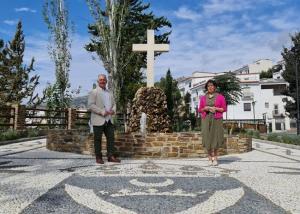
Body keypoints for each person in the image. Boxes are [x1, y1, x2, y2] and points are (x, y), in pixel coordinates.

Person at [88, 74, 120, 164]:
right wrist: (102, 112)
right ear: (98, 81)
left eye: (104, 79)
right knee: (97, 139)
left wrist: (113, 111)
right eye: (101, 80)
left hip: (109, 119)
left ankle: (110, 156)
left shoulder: (110, 92)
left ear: (106, 81)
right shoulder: (93, 92)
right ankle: (98, 157)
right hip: (98, 119)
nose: (102, 81)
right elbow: (90, 105)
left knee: (111, 138)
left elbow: (114, 104)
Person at [198, 79, 227, 166]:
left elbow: (224, 109)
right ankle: (210, 158)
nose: (210, 87)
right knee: (207, 137)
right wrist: (205, 108)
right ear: (207, 87)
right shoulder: (203, 98)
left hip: (217, 119)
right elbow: (200, 109)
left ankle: (216, 158)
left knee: (216, 137)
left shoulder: (220, 97)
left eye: (212, 85)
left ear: (215, 87)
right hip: (206, 119)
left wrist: (216, 109)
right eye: (208, 86)